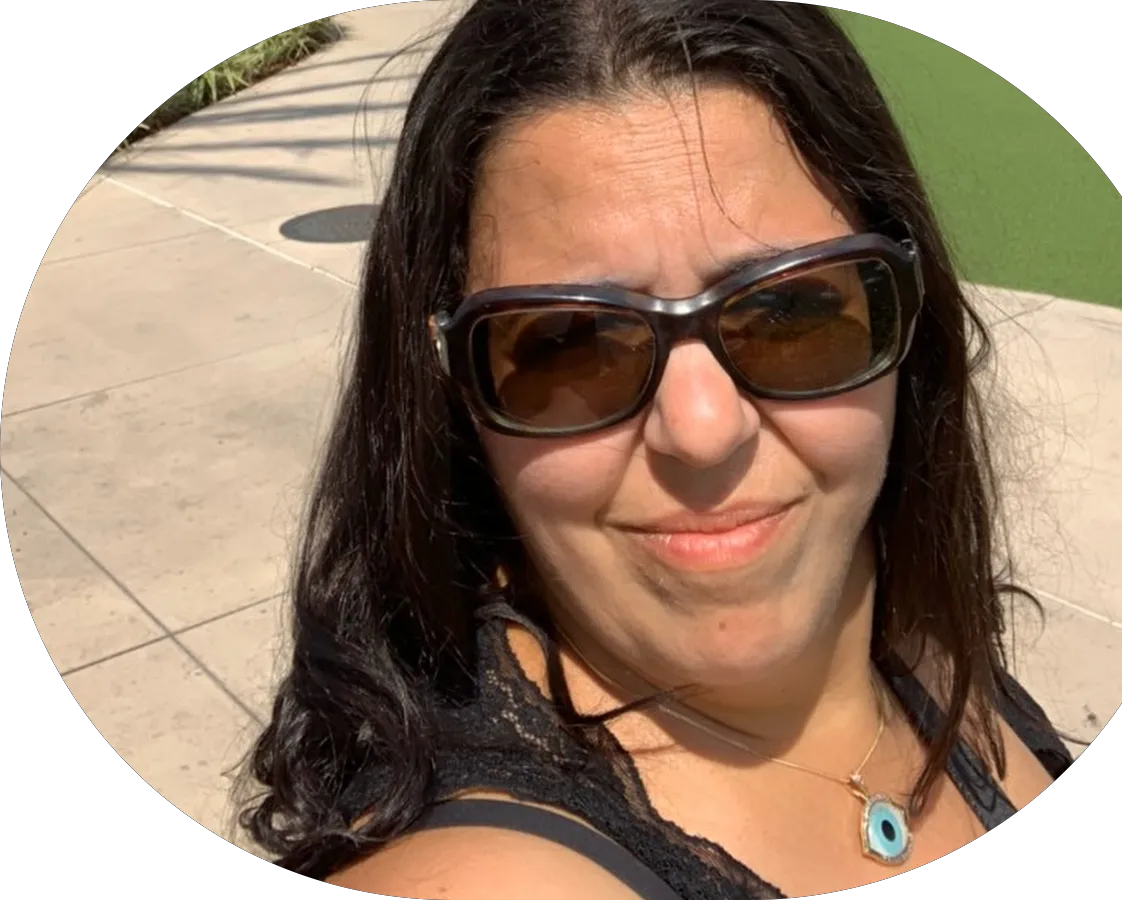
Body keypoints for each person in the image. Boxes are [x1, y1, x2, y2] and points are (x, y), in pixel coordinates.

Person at [234, 2, 1073, 897]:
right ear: (450, 395)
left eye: (791, 311)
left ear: (907, 320)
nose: (704, 431)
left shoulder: (916, 636)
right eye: (570, 346)